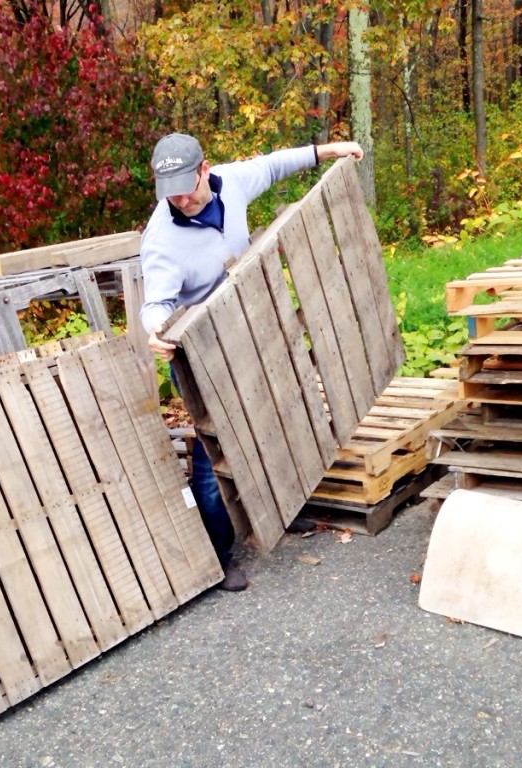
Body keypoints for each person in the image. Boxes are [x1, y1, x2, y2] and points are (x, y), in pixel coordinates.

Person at [139, 133, 364, 592]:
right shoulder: (162, 239)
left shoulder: (231, 182)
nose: (179, 199)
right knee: (212, 457)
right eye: (169, 192)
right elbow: (155, 303)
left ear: (205, 170)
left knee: (272, 424)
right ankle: (220, 556)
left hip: (247, 329)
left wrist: (331, 150)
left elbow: (274, 163)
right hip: (200, 352)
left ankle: (281, 509)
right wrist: (156, 332)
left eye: (186, 186)